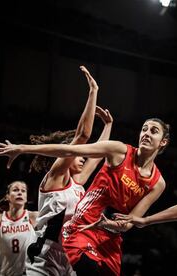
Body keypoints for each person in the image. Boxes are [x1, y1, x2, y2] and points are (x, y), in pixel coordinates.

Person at [0, 117, 171, 276]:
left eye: (153, 131)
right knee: (89, 269)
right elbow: (74, 146)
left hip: (109, 237)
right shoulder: (119, 151)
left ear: (163, 142)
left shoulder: (157, 183)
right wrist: (22, 148)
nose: (146, 133)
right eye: (144, 129)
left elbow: (130, 221)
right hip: (80, 228)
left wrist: (111, 224)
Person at [24, 65, 113, 275]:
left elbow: (99, 154)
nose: (83, 158)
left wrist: (108, 125)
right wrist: (93, 92)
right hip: (44, 253)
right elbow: (82, 136)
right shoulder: (54, 179)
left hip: (69, 253)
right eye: (78, 154)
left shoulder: (78, 182)